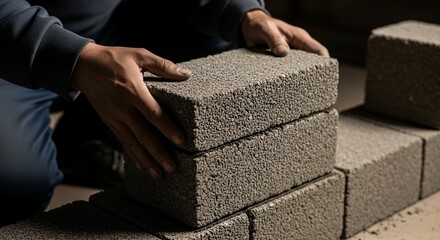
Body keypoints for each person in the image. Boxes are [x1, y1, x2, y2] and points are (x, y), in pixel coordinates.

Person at [0, 0, 329, 226]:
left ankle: (84, 140)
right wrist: (74, 58)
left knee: (217, 60)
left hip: (105, 24)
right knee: (17, 186)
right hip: (10, 49)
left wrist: (244, 13)